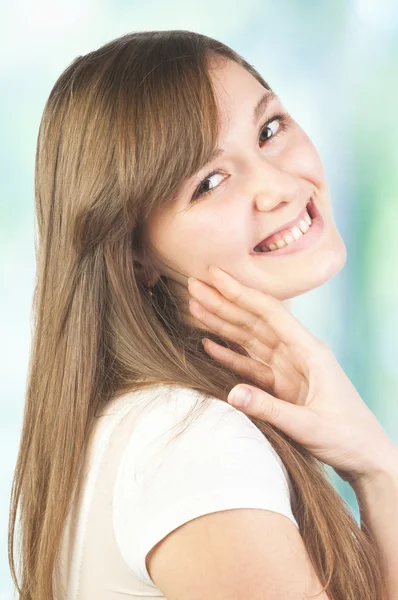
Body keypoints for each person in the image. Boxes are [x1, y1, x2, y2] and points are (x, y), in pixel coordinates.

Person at [8, 30, 398, 600]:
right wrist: (380, 472)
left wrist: (375, 465)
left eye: (270, 129)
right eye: (209, 182)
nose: (279, 186)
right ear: (134, 254)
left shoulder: (149, 425)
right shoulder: (191, 441)